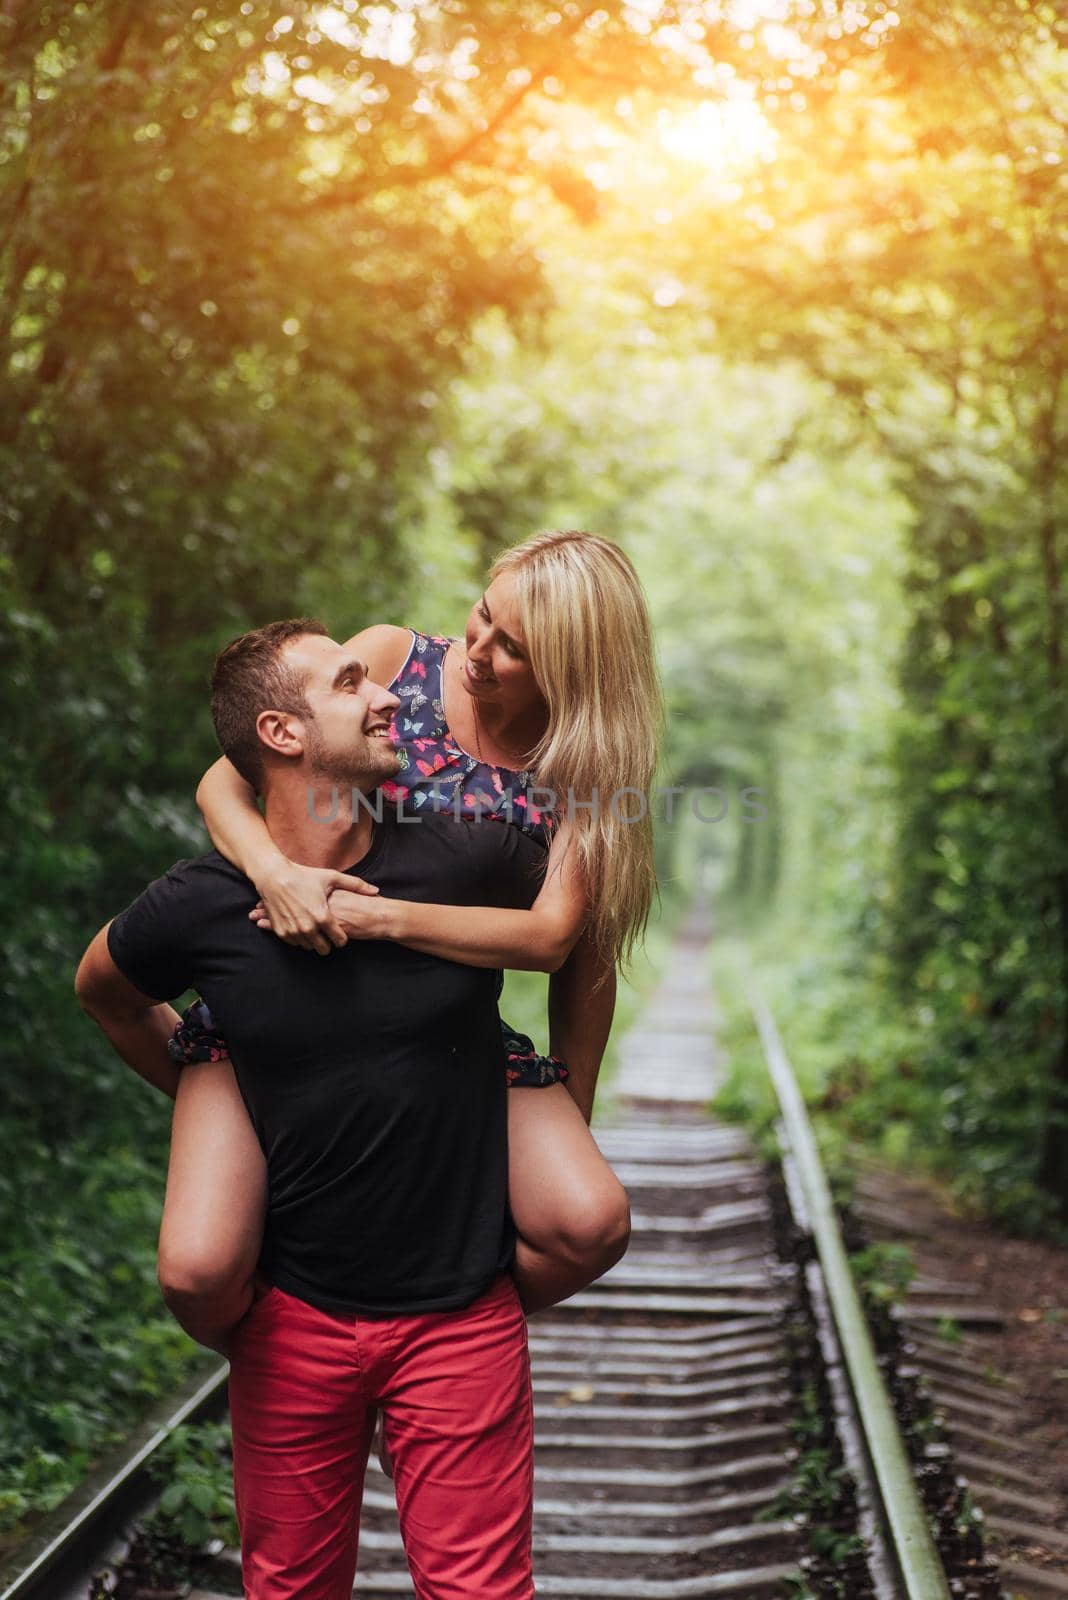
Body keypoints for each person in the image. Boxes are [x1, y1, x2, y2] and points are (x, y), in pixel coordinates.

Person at [76, 620, 549, 1600]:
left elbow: (572, 933)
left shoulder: (464, 866)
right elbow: (105, 992)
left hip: (460, 1316)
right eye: (348, 685)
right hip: (292, 1322)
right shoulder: (204, 907)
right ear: (284, 735)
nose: (387, 695)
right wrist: (214, 1091)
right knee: (290, 1589)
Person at [166, 530, 662, 1339]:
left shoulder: (583, 769)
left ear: (571, 672)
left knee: (588, 1223)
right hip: (295, 995)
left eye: (517, 651)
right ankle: (300, 1356)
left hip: (444, 1033)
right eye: (483, 616)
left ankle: (439, 1339)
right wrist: (275, 875)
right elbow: (226, 778)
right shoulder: (394, 663)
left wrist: (572, 1104)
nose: (480, 650)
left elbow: (570, 953)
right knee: (201, 1269)